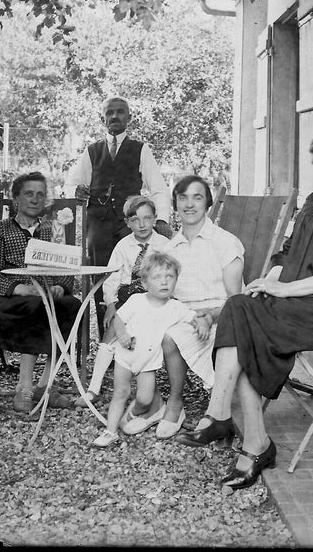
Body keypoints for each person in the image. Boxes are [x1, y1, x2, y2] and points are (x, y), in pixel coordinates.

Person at [175, 127, 313, 490]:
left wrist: (286, 289)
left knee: (244, 321)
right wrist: (268, 281)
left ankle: (228, 422)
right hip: (296, 302)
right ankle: (245, 434)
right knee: (243, 304)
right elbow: (287, 252)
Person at [66, 96, 172, 339]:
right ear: (102, 118)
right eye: (110, 113)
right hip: (98, 224)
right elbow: (72, 183)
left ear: (129, 117)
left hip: (129, 226)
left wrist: (162, 219)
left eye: (120, 112)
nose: (115, 116)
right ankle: (107, 339)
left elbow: (157, 187)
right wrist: (77, 191)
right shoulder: (92, 151)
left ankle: (133, 336)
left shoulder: (140, 149)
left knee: (131, 277)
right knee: (100, 278)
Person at [0, 172, 81, 413]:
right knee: (37, 307)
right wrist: (21, 288)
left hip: (47, 294)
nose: (35, 199)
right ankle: (24, 386)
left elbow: (66, 267)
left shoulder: (52, 229)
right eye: (29, 194)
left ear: (45, 200)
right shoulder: (1, 230)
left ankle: (44, 385)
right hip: (10, 297)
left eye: (40, 195)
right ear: (16, 199)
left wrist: (60, 286)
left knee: (71, 305)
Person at [152, 175, 245, 440]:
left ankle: (213, 411)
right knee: (168, 335)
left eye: (197, 197)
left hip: (226, 318)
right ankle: (174, 402)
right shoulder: (171, 248)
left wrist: (210, 316)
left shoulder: (225, 242)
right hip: (187, 317)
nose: (189, 204)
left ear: (208, 204)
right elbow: (167, 297)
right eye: (183, 198)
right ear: (175, 204)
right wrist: (193, 317)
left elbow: (237, 301)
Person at [74, 195, 171, 408]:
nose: (142, 224)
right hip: (127, 299)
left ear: (155, 219)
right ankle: (94, 389)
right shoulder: (123, 246)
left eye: (147, 218)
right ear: (127, 223)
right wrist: (110, 305)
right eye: (135, 219)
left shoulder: (164, 246)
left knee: (135, 330)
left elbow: (171, 278)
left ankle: (144, 391)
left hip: (153, 300)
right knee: (113, 330)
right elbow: (112, 279)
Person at [92, 252, 196, 447]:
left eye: (169, 277)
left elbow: (192, 318)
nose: (164, 282)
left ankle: (133, 412)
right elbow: (119, 320)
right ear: (146, 283)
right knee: (120, 393)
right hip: (125, 356)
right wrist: (122, 335)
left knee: (145, 397)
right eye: (157, 278)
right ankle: (110, 431)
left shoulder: (175, 307)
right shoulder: (137, 300)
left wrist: (203, 323)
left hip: (147, 363)